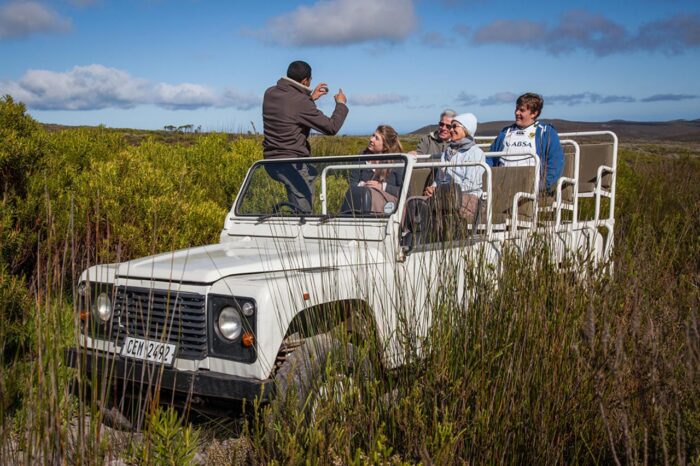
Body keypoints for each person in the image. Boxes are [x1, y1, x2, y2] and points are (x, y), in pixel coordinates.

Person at [262, 60, 349, 213]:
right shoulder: (301, 102)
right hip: (292, 164)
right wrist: (341, 105)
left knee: (307, 179)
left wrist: (309, 97)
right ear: (305, 80)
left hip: (270, 162)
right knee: (303, 214)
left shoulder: (270, 93)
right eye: (309, 81)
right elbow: (331, 127)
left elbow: (289, 108)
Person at [488, 93, 563, 194]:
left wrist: (541, 186)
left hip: (530, 188)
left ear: (534, 113)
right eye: (516, 109)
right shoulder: (506, 132)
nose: (517, 113)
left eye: (522, 110)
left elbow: (555, 163)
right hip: (501, 186)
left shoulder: (545, 132)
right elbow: (490, 158)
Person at [425, 112, 485, 222]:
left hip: (467, 197)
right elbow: (439, 178)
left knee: (442, 207)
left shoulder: (476, 153)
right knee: (416, 203)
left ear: (466, 129)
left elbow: (471, 184)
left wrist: (443, 192)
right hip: (445, 195)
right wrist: (433, 188)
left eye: (454, 126)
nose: (450, 130)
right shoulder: (448, 151)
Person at [344, 125, 404, 214]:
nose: (371, 139)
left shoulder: (397, 162)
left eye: (376, 138)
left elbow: (405, 192)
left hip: (388, 210)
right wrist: (363, 185)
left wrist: (382, 187)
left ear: (385, 147)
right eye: (373, 135)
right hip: (360, 206)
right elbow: (352, 183)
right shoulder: (361, 158)